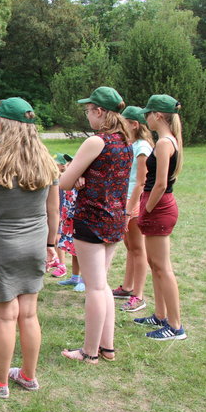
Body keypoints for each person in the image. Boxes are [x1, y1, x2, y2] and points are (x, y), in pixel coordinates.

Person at [0, 98, 59, 399]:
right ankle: (28, 377)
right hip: (35, 244)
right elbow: (54, 212)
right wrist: (51, 245)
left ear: (4, 125)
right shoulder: (48, 162)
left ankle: (0, 382)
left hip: (3, 248)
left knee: (7, 317)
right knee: (30, 315)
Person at [60, 86, 132, 364]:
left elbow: (65, 182)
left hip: (91, 219)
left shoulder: (97, 141)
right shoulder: (125, 140)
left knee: (94, 287)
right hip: (114, 219)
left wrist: (74, 176)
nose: (87, 115)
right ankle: (107, 347)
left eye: (89, 110)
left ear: (99, 111)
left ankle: (89, 351)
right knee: (102, 285)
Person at [133, 95, 186, 340]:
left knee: (163, 268)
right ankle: (160, 315)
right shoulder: (165, 140)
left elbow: (161, 184)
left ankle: (175, 326)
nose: (145, 118)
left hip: (159, 207)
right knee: (155, 265)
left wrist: (146, 210)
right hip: (158, 206)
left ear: (158, 115)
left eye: (148, 113)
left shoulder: (165, 143)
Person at [115, 107, 154, 312]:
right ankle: (127, 287)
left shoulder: (142, 148)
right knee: (130, 246)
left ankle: (138, 295)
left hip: (134, 201)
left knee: (138, 249)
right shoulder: (132, 144)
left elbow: (141, 182)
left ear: (134, 124)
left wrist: (130, 210)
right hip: (125, 199)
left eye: (124, 123)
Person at [53, 154, 84, 291]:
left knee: (83, 251)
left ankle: (84, 280)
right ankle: (75, 277)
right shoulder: (68, 179)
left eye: (72, 162)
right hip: (69, 219)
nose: (69, 164)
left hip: (79, 219)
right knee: (73, 249)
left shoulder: (81, 181)